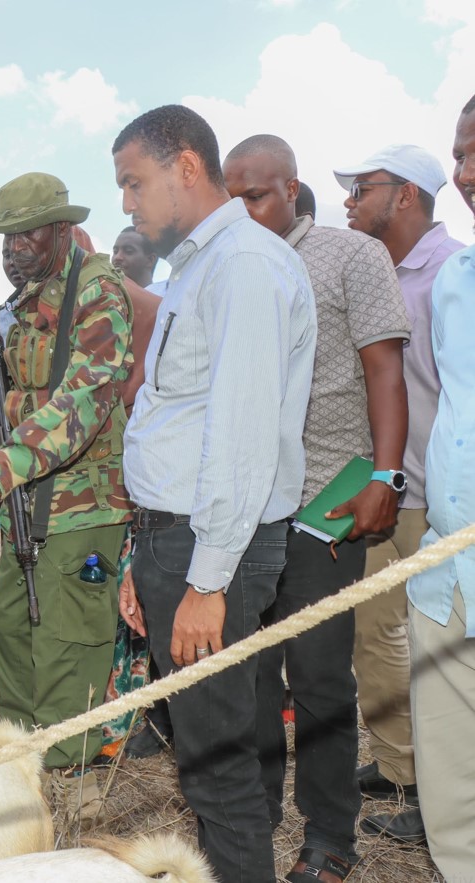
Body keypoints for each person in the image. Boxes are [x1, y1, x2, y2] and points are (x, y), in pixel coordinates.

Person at [111, 105, 316, 883]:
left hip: (213, 548)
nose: (127, 202)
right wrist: (147, 556)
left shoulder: (242, 265)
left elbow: (239, 436)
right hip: (182, 538)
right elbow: (178, 425)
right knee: (206, 756)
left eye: (133, 182)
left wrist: (204, 580)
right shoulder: (197, 266)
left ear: (185, 167)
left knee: (219, 769)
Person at [225, 134, 411, 881]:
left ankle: (329, 833)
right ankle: (258, 810)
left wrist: (386, 476)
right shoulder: (232, 269)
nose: (243, 210)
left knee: (320, 673)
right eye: (231, 197)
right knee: (253, 670)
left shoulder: (347, 256)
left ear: (290, 188)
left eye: (256, 195)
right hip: (249, 504)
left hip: (327, 498)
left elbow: (382, 368)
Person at [0, 172, 132, 768]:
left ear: (63, 230)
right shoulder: (27, 302)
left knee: (68, 643)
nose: (14, 250)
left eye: (27, 236)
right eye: (5, 238)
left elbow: (85, 400)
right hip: (27, 500)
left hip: (83, 503)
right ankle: (23, 762)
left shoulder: (97, 290)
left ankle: (72, 774)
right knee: (11, 630)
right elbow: (31, 390)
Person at [333, 143, 465, 844]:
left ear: (406, 194)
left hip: (441, 496)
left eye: (362, 187)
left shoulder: (451, 271)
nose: (350, 199)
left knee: (440, 645)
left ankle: (435, 786)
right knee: (376, 634)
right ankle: (402, 765)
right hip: (394, 487)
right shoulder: (377, 270)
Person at [398, 94, 475, 879]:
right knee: (453, 801)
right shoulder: (454, 281)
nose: (463, 174)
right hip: (444, 581)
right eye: (458, 155)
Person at [111, 226, 161, 293]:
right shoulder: (103, 299)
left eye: (128, 251)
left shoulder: (167, 300)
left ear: (150, 260)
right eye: (115, 251)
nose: (117, 257)